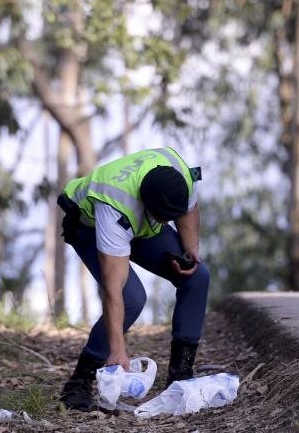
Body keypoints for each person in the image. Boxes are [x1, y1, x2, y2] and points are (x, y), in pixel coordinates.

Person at [57, 147, 209, 411]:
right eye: (164, 218)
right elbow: (113, 289)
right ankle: (79, 381)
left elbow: (189, 209)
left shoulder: (180, 175)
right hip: (90, 226)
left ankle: (180, 375)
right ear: (148, 206)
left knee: (198, 276)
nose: (167, 223)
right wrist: (118, 350)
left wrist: (189, 250)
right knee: (132, 298)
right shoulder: (114, 206)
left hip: (142, 224)